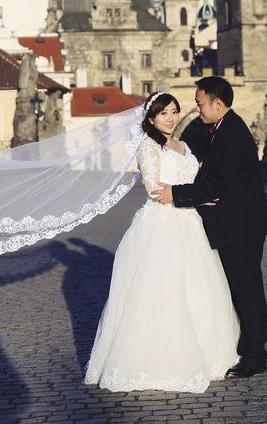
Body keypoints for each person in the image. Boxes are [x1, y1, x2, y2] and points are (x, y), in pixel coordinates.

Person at [84, 92, 239, 393]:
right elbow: (156, 189)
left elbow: (192, 183)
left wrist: (201, 197)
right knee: (163, 291)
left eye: (174, 111)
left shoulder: (183, 146)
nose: (170, 118)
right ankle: (161, 360)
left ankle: (209, 356)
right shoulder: (149, 146)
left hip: (190, 222)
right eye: (163, 112)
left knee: (198, 288)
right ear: (151, 118)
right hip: (163, 223)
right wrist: (196, 195)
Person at [155, 77, 267, 378]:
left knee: (246, 288)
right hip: (239, 223)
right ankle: (249, 349)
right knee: (240, 288)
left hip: (241, 226)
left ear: (217, 104)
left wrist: (178, 195)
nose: (197, 109)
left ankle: (255, 355)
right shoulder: (225, 129)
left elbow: (220, 184)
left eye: (200, 103)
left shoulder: (231, 134)